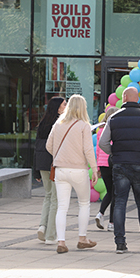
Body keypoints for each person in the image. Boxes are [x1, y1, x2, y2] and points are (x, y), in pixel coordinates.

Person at [98, 87, 140, 254]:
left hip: (120, 165)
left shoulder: (113, 118)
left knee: (120, 202)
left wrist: (114, 152)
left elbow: (103, 143)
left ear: (124, 98)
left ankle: (120, 242)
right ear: (138, 99)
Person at [46, 94, 98, 254]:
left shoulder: (58, 123)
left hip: (60, 170)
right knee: (84, 203)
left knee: (62, 206)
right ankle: (82, 239)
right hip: (79, 170)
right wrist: (94, 169)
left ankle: (61, 242)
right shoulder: (84, 125)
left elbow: (49, 145)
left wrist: (60, 157)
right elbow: (88, 150)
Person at [33, 96, 66, 245]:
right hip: (53, 162)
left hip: (41, 162)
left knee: (48, 195)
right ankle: (51, 235)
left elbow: (36, 146)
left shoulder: (43, 123)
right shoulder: (59, 123)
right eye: (64, 104)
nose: (66, 106)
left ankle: (42, 226)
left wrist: (35, 169)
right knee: (55, 199)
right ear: (58, 107)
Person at [94, 106, 118, 231]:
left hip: (103, 164)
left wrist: (98, 166)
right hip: (113, 163)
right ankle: (112, 223)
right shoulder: (115, 130)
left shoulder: (100, 131)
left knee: (110, 191)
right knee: (115, 193)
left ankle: (101, 213)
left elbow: (98, 150)